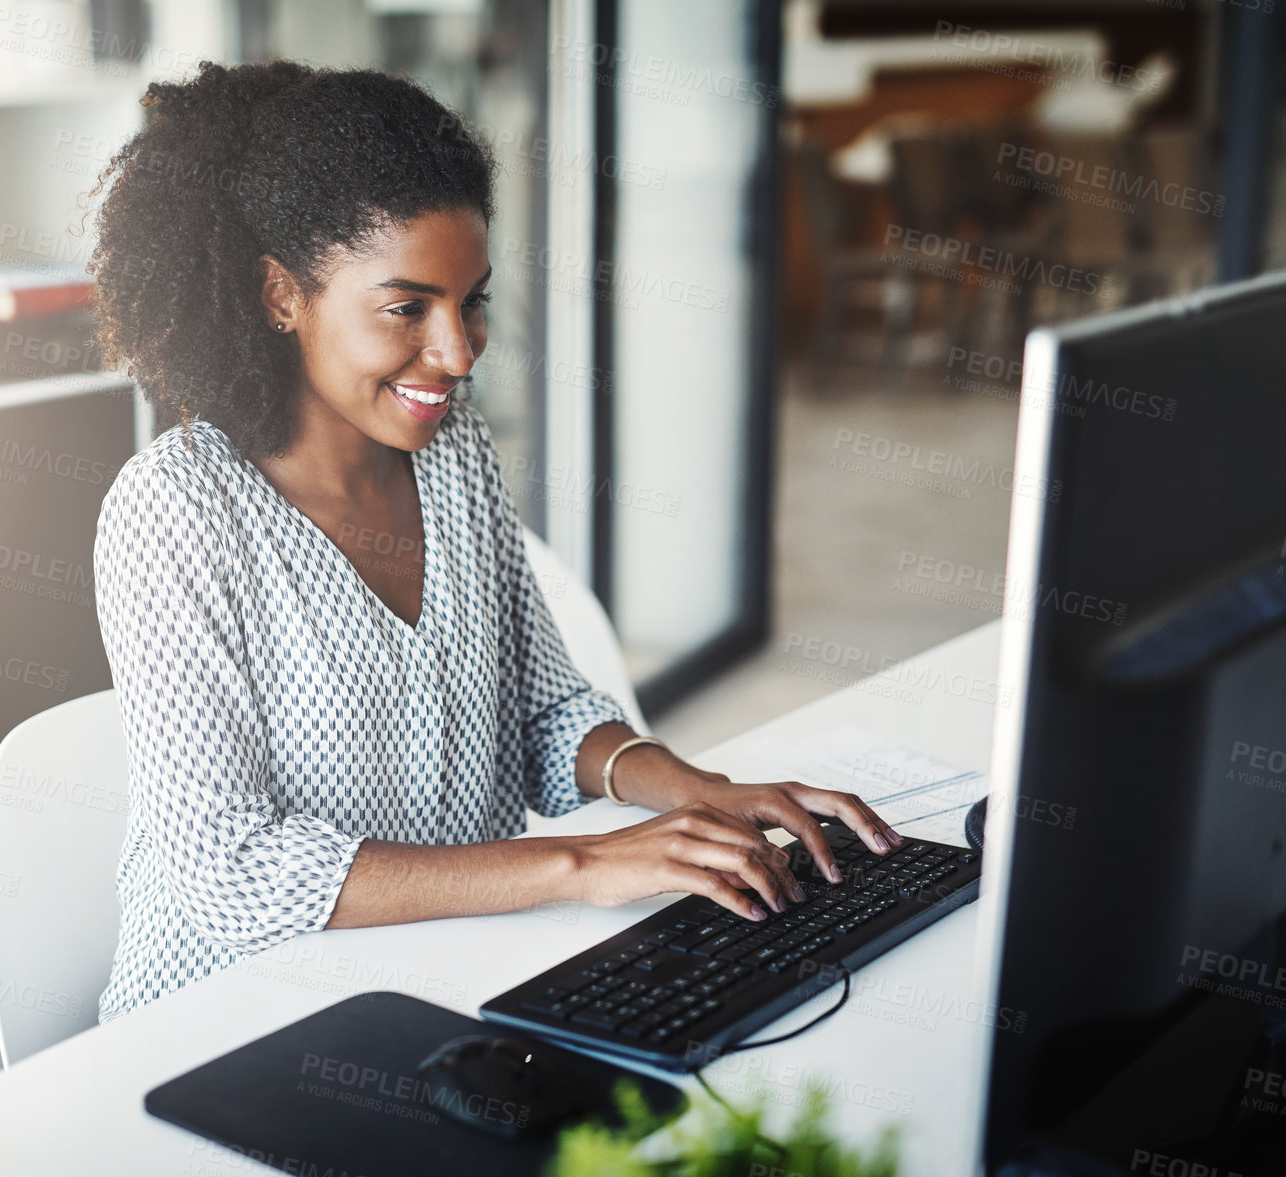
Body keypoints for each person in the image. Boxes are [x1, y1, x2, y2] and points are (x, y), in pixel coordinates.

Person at [84, 60, 901, 1023]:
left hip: (448, 979)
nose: (459, 352)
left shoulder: (450, 450)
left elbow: (546, 714)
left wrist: (693, 789)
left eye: (471, 300)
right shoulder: (176, 512)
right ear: (280, 295)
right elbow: (232, 871)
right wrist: (582, 865)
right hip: (224, 1019)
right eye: (407, 308)